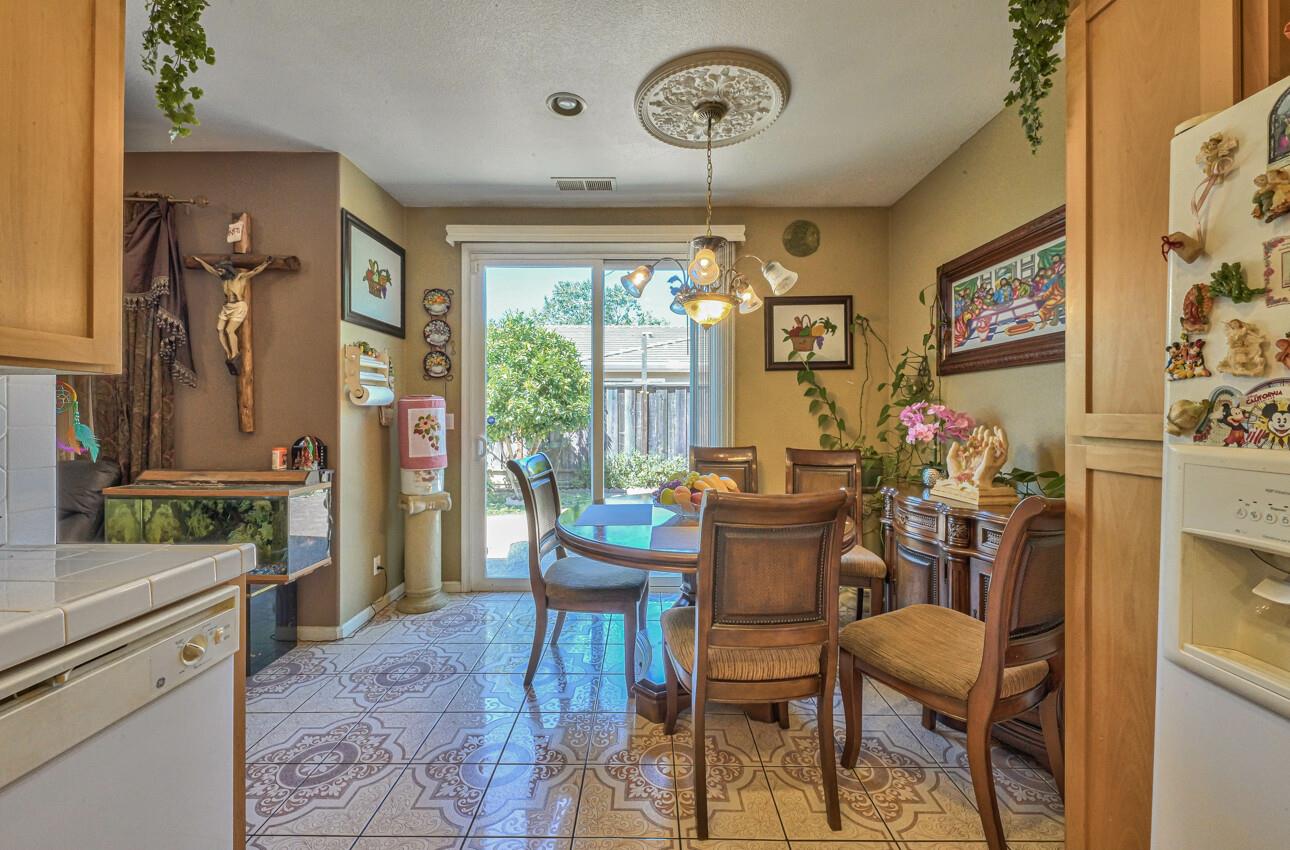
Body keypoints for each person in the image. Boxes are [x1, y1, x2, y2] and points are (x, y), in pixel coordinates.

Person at [192, 256, 273, 373]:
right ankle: (228, 353)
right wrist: (200, 261)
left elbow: (254, 271)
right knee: (219, 330)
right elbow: (211, 270)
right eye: (219, 270)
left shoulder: (240, 278)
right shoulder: (223, 279)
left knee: (229, 331)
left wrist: (266, 263)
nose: (219, 272)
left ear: (227, 269)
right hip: (227, 307)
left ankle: (235, 353)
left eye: (221, 270)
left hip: (238, 307)